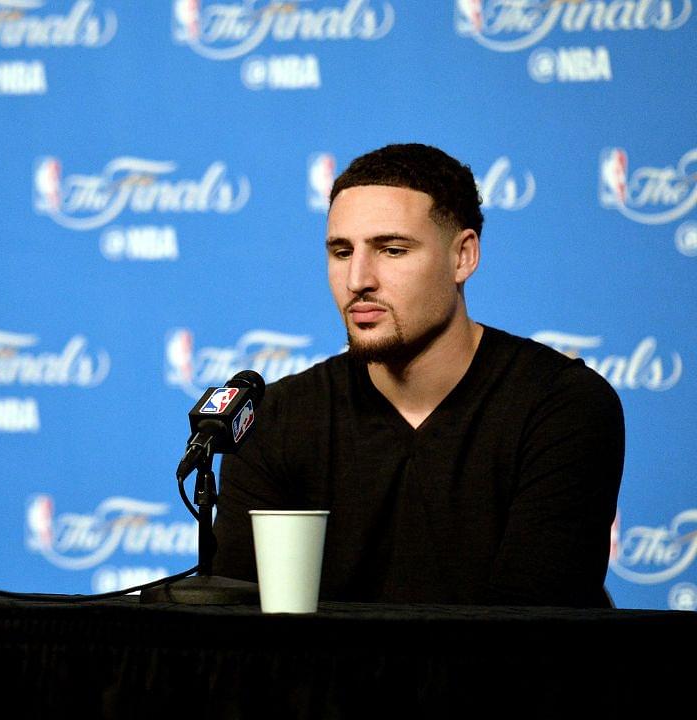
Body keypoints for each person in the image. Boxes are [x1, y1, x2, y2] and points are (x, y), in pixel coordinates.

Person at [213, 143, 624, 607]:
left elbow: (531, 637)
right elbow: (240, 633)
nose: (358, 280)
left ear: (462, 257)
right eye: (342, 252)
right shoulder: (275, 419)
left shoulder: (560, 406)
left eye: (392, 249)